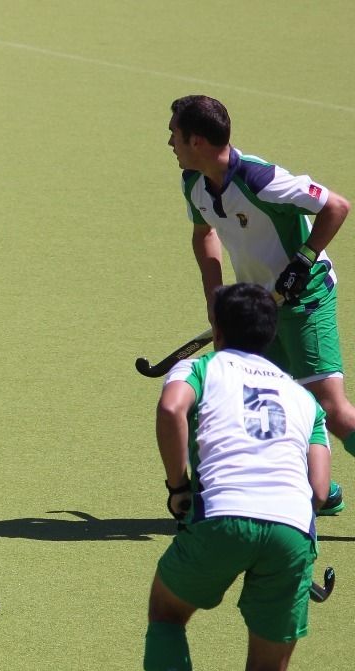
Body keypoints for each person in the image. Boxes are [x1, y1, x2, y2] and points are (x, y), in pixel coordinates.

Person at [118, 284, 330, 671]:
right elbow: (321, 488)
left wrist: (178, 487)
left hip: (222, 517)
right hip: (290, 530)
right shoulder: (303, 398)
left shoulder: (201, 370)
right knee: (268, 670)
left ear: (216, 323)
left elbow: (171, 409)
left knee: (167, 612)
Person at [167, 94, 353, 514]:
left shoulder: (260, 179)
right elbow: (205, 236)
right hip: (258, 307)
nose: (170, 144)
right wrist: (217, 301)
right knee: (263, 398)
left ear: (196, 140)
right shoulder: (194, 183)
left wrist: (303, 260)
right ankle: (321, 488)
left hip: (306, 299)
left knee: (332, 409)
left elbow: (336, 207)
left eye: (174, 135)